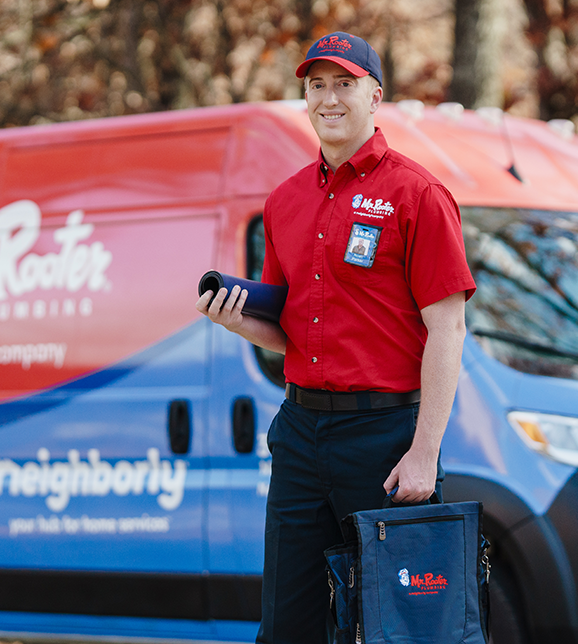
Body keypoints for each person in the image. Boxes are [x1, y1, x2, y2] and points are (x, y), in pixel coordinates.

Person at [195, 32, 475, 644]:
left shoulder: (418, 194)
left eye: (344, 84)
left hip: (384, 439)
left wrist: (424, 451)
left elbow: (448, 329)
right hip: (300, 434)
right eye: (316, 85)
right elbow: (286, 330)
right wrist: (232, 318)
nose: (329, 98)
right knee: (287, 624)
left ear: (375, 95)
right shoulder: (284, 201)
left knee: (400, 629)